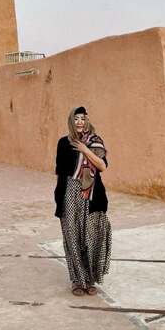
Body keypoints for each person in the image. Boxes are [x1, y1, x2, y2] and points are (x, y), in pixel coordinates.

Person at [54, 106, 112, 296]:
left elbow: (102, 166)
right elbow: (60, 172)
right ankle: (77, 280)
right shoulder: (63, 143)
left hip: (92, 194)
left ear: (87, 121)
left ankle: (89, 279)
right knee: (72, 236)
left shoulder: (95, 141)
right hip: (70, 191)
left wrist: (85, 149)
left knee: (90, 237)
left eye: (82, 118)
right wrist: (60, 198)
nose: (79, 122)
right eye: (76, 119)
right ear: (72, 121)